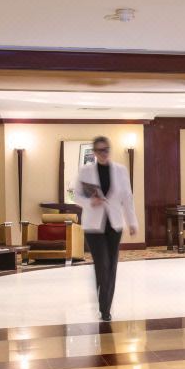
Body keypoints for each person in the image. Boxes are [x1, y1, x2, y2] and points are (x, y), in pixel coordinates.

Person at [74, 136, 138, 322]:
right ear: (94, 152)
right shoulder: (85, 171)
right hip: (93, 226)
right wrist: (90, 202)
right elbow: (76, 196)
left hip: (114, 224)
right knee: (102, 264)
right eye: (100, 150)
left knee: (111, 266)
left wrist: (132, 222)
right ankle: (104, 304)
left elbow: (127, 198)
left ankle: (105, 308)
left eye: (106, 149)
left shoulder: (121, 170)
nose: (104, 153)